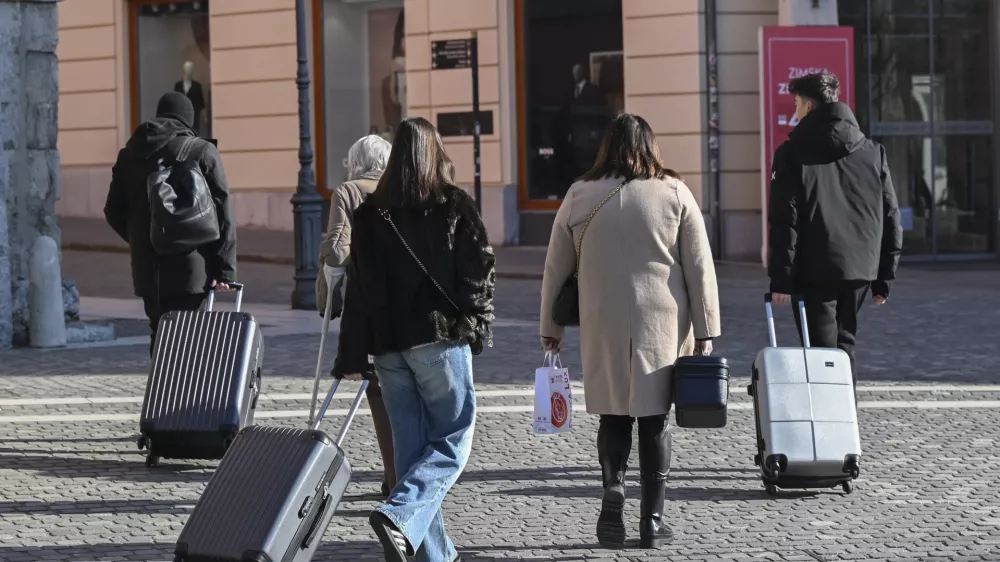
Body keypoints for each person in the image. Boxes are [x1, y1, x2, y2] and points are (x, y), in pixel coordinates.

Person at [539, 113, 721, 549]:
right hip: (661, 321)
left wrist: (551, 327)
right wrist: (705, 327)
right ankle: (652, 522)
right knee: (655, 420)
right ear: (651, 146)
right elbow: (700, 266)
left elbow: (555, 267)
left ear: (607, 147)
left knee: (614, 414)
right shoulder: (675, 193)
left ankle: (612, 487)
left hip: (602, 320)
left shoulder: (579, 195)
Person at [334, 117, 495, 562]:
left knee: (411, 456)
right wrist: (475, 321)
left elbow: (359, 289)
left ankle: (434, 556)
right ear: (434, 152)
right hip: (437, 340)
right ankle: (400, 513)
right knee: (452, 441)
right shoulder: (452, 205)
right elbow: (479, 268)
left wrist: (353, 351)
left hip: (389, 348)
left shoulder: (369, 214)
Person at [768, 72, 902, 385]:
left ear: (810, 106)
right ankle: (845, 420)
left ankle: (831, 425)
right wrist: (885, 276)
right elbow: (890, 215)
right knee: (844, 346)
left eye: (798, 103)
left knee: (820, 352)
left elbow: (784, 220)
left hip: (813, 270)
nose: (795, 111)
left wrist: (781, 279)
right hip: (859, 270)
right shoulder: (872, 151)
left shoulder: (790, 154)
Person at [104, 92, 236, 355]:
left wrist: (144, 238)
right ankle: (185, 395)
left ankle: (162, 393)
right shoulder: (201, 151)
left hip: (147, 268)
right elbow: (222, 214)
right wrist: (224, 271)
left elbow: (113, 211)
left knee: (160, 333)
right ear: (189, 119)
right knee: (191, 339)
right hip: (192, 267)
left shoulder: (130, 153)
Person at [316, 134, 397, 499]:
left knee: (379, 390)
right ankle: (406, 475)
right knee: (407, 389)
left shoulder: (348, 192)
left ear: (354, 162)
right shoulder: (403, 190)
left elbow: (336, 250)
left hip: (368, 307)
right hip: (409, 305)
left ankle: (394, 475)